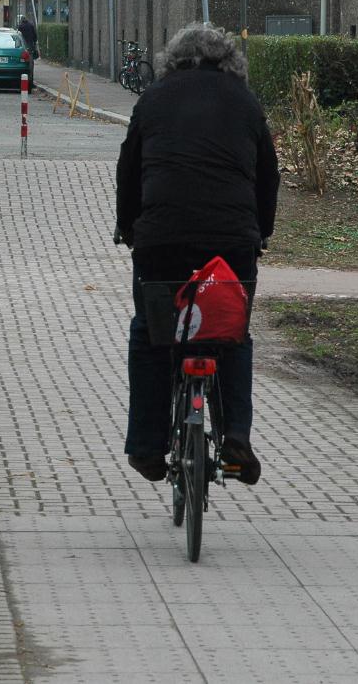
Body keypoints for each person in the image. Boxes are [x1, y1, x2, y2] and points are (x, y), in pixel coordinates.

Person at [115, 24, 279, 485]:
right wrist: (259, 233)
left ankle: (147, 446)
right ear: (229, 61)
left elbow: (128, 173)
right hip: (231, 243)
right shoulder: (246, 103)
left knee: (151, 333)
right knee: (232, 333)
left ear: (173, 60)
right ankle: (236, 438)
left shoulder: (153, 99)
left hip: (160, 241)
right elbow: (268, 176)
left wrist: (128, 228)